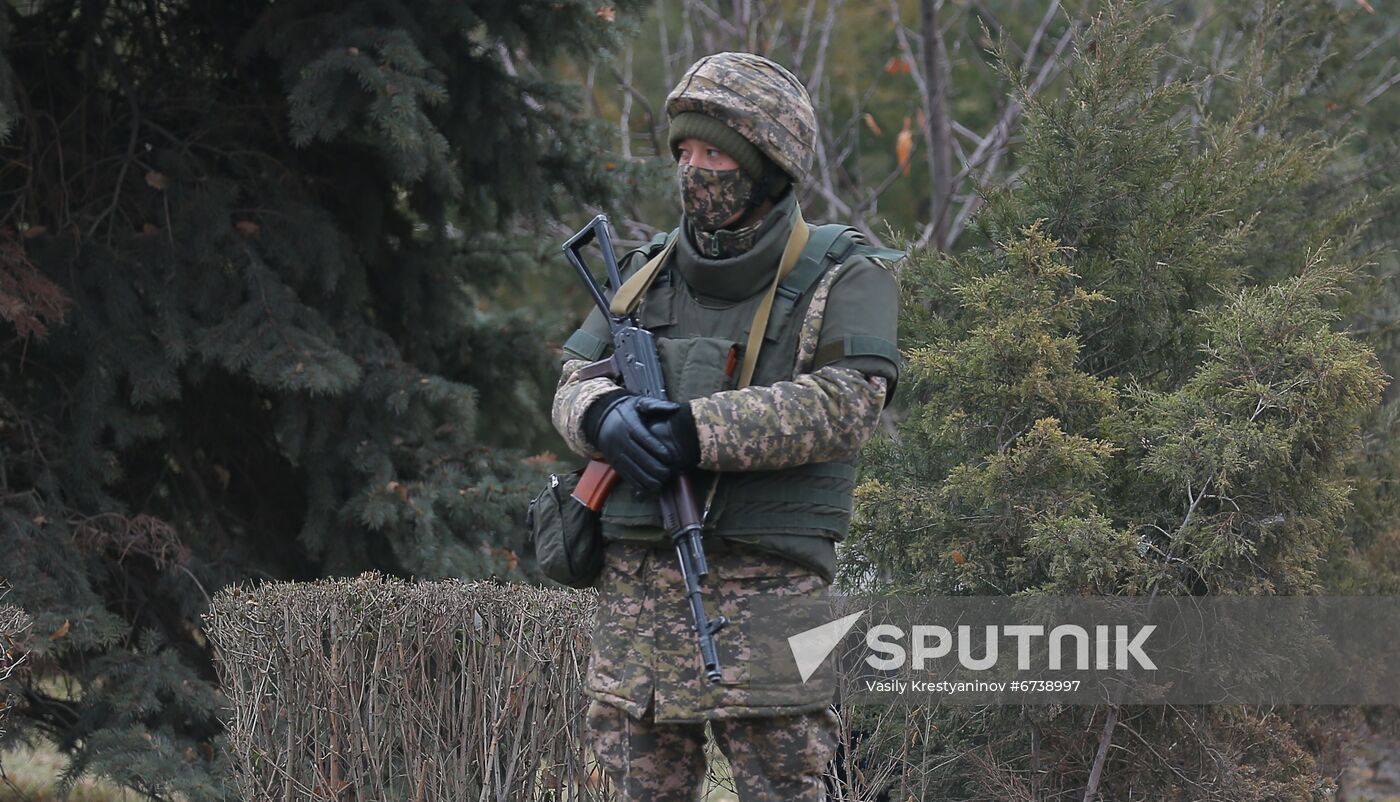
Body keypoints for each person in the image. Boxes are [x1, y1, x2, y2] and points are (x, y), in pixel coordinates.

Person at [550, 51, 901, 802]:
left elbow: (847, 402)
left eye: (715, 153)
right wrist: (604, 416)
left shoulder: (846, 275)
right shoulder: (644, 273)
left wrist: (694, 429)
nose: (695, 170)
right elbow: (574, 381)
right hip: (637, 609)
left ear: (768, 166)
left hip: (768, 600)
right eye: (685, 151)